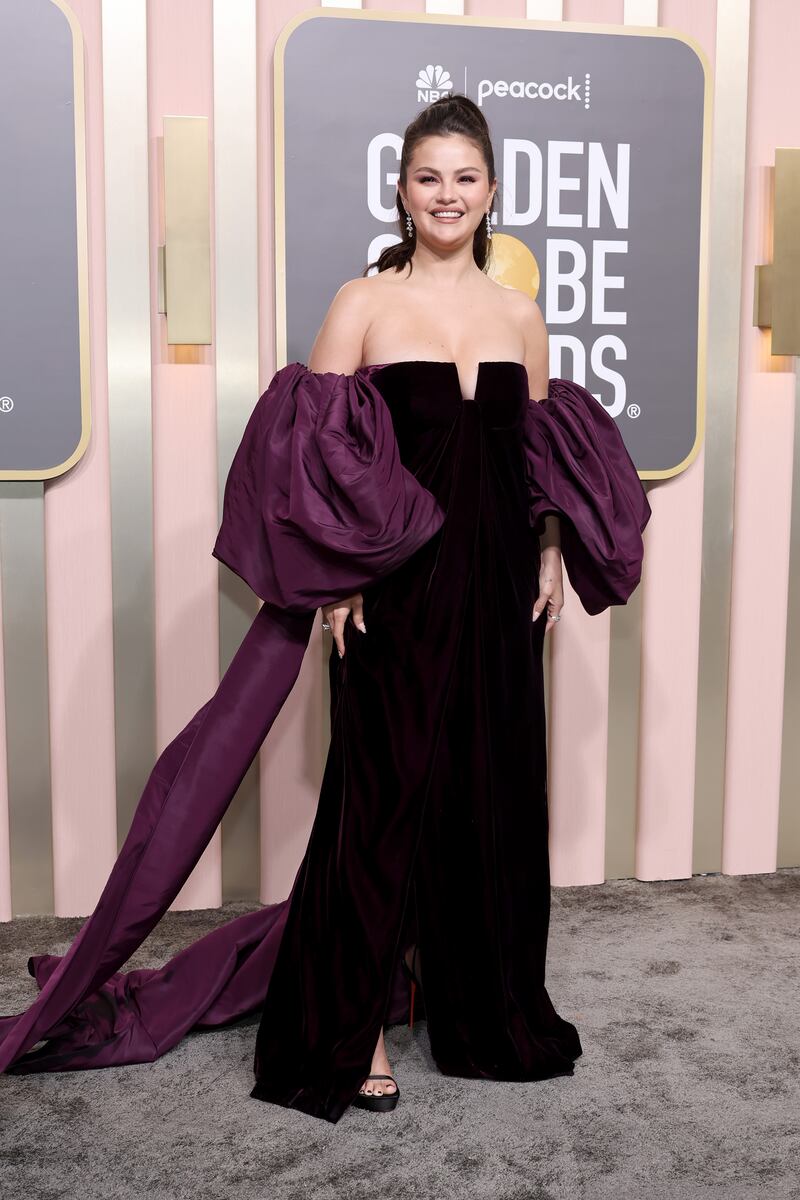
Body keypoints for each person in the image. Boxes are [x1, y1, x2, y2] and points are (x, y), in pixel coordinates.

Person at [0, 94, 651, 1124]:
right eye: (428, 177)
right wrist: (343, 578)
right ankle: (343, 1034)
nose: (446, 195)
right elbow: (314, 462)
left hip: (492, 594)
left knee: (487, 795)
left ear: (490, 193)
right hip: (393, 593)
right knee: (377, 801)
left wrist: (550, 550)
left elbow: (531, 457)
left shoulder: (519, 315)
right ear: (399, 189)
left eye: (465, 178)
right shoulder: (362, 303)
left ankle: (482, 1009)